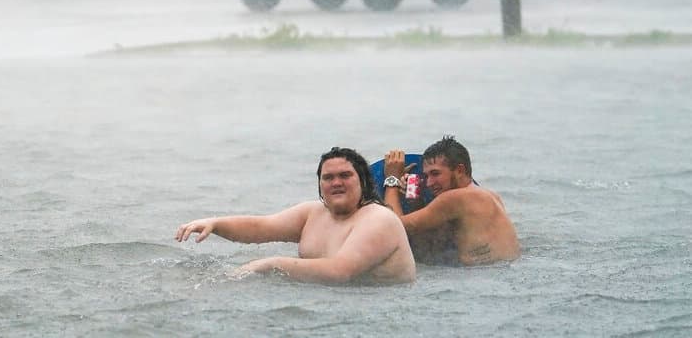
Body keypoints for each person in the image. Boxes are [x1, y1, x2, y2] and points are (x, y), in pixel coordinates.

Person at [175, 147, 416, 284]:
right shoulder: (313, 213)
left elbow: (340, 272)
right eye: (328, 178)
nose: (336, 183)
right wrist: (215, 223)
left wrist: (270, 264)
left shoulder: (378, 219)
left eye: (345, 176)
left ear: (363, 181)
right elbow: (261, 227)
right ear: (320, 184)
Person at [383, 136, 520, 266]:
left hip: (480, 277)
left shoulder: (455, 198)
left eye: (435, 174)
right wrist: (415, 201)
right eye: (426, 175)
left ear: (460, 170)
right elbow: (429, 246)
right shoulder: (490, 196)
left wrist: (392, 180)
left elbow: (393, 226)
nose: (429, 183)